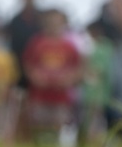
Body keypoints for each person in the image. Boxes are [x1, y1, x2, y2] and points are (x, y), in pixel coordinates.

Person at [23, 9, 82, 138]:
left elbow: (78, 68)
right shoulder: (36, 43)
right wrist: (36, 77)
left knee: (59, 128)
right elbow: (28, 65)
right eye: (51, 21)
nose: (54, 24)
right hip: (39, 95)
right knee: (38, 130)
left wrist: (69, 79)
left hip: (61, 97)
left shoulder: (69, 46)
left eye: (57, 21)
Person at [80, 20, 115, 140]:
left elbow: (103, 68)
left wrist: (90, 72)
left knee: (97, 117)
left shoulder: (106, 46)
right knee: (88, 117)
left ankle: (96, 139)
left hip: (100, 90)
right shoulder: (88, 45)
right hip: (88, 91)